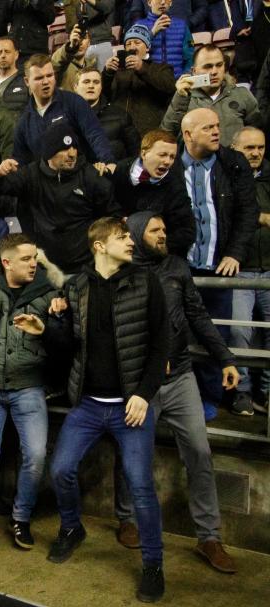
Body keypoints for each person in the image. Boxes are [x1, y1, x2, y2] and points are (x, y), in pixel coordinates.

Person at [44, 217, 169, 603]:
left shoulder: (144, 281)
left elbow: (162, 341)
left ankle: (153, 564)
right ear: (100, 245)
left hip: (131, 405)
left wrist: (144, 394)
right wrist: (51, 320)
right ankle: (71, 528)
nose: (130, 241)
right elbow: (67, 346)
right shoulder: (76, 285)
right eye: (122, 237)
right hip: (88, 403)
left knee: (140, 485)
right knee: (61, 469)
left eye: (130, 236)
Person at [122, 211, 239, 574]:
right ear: (138, 233)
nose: (163, 234)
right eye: (155, 230)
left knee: (200, 452)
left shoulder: (176, 267)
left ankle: (208, 536)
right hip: (141, 382)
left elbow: (197, 315)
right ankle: (127, 518)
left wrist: (225, 359)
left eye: (164, 228)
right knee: (131, 451)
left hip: (181, 377)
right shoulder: (122, 270)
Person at [0, 233, 64, 551]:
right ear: (6, 262)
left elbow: (65, 344)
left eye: (34, 258)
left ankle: (21, 519)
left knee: (34, 455)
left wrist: (53, 322)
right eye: (25, 259)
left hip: (29, 385)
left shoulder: (50, 290)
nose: (33, 264)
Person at [180, 108, 259, 419]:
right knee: (180, 334)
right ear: (188, 134)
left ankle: (210, 397)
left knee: (217, 335)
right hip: (182, 268)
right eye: (208, 127)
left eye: (217, 125)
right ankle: (183, 400)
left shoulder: (233, 163)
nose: (216, 132)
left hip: (218, 268)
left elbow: (247, 213)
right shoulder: (172, 164)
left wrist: (235, 253)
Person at [0, 125, 115, 273]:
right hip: (41, 268)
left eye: (74, 147)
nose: (72, 154)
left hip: (84, 268)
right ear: (49, 152)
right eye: (64, 149)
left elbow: (110, 215)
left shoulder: (90, 176)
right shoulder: (30, 175)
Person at [229, 127, 270, 414]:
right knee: (239, 332)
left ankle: (266, 393)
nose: (255, 153)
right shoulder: (227, 176)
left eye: (260, 147)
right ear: (235, 149)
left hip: (269, 269)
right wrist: (259, 217)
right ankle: (241, 391)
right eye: (249, 148)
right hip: (239, 270)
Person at [107, 129, 195, 258]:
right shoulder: (120, 171)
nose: (167, 161)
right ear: (144, 153)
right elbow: (107, 208)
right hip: (119, 256)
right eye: (162, 155)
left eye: (172, 157)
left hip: (153, 260)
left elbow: (187, 232)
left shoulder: (175, 187)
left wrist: (151, 245)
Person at [13, 54, 114, 164]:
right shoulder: (24, 120)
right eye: (39, 78)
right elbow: (20, 158)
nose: (46, 82)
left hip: (79, 176)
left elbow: (95, 134)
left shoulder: (74, 102)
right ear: (27, 81)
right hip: (45, 179)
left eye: (49, 75)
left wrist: (108, 162)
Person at [161, 45, 263, 147]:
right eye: (207, 66)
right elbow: (166, 136)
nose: (214, 72)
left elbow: (259, 133)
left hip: (235, 161)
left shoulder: (242, 94)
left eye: (219, 65)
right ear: (194, 71)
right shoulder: (183, 99)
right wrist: (180, 98)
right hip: (196, 161)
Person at [101, 24, 176, 136]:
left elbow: (170, 87)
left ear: (147, 47)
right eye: (128, 44)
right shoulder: (116, 72)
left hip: (150, 132)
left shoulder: (161, 68)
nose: (132, 47)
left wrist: (142, 68)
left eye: (137, 42)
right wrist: (107, 73)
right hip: (121, 133)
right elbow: (103, 97)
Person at [73, 68, 141, 161]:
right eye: (86, 82)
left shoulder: (120, 116)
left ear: (101, 87)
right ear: (75, 87)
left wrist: (118, 169)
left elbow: (136, 154)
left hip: (112, 173)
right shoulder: (62, 117)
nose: (91, 86)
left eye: (96, 82)